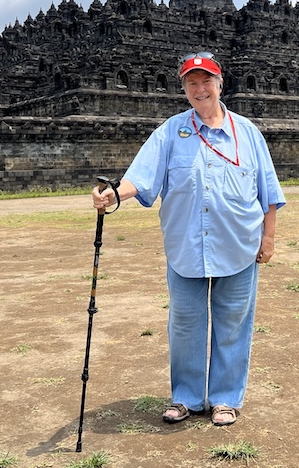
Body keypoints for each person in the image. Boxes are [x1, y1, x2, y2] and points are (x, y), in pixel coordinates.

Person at [92, 51, 285, 427]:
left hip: (239, 245)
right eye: (192, 83)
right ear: (184, 88)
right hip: (186, 246)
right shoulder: (170, 132)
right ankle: (186, 397)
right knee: (185, 324)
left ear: (220, 83)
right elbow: (142, 176)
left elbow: (268, 192)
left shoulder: (247, 133)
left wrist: (269, 239)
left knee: (233, 324)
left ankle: (225, 399)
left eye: (206, 80)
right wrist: (114, 193)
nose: (200, 89)